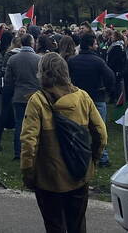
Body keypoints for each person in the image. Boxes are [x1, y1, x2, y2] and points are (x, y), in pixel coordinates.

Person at [20, 52, 108, 233]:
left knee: (54, 226)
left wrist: (28, 172)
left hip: (49, 178)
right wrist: (93, 160)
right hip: (79, 174)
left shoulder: (37, 101)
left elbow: (29, 142)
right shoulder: (83, 97)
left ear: (42, 72)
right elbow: (101, 133)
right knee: (77, 225)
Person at [67, 33, 115, 167]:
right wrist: (108, 91)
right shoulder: (98, 61)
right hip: (97, 98)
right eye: (95, 43)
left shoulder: (72, 61)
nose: (97, 45)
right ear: (90, 45)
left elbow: (66, 78)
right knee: (99, 129)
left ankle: (77, 154)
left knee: (77, 128)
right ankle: (102, 157)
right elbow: (110, 77)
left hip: (77, 98)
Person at [4, 33, 40, 160]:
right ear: (32, 43)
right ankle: (33, 150)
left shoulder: (12, 59)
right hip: (35, 96)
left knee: (19, 124)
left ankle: (18, 152)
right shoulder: (39, 59)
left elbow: (8, 81)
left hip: (19, 95)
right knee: (35, 124)